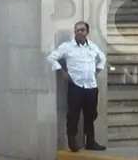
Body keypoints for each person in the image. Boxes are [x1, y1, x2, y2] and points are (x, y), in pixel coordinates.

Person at [46, 21, 107, 153]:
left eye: (82, 30)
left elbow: (102, 58)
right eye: (77, 30)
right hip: (76, 86)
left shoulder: (93, 47)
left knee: (90, 115)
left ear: (87, 32)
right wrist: (62, 71)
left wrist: (97, 71)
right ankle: (72, 142)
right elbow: (52, 57)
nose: (79, 32)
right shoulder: (67, 47)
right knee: (73, 115)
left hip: (91, 86)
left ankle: (90, 142)